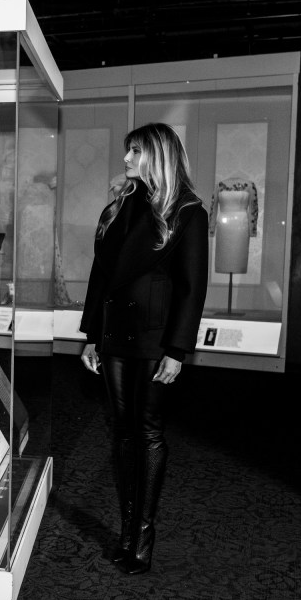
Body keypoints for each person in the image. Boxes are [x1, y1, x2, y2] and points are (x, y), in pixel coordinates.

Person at [79, 123, 208, 574]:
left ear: (159, 156)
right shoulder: (120, 206)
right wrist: (91, 334)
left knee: (148, 431)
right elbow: (101, 275)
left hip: (155, 339)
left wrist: (177, 349)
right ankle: (126, 528)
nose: (128, 158)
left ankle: (142, 538)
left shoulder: (188, 211)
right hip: (115, 334)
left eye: (137, 151)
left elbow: (192, 288)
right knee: (121, 432)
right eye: (128, 150)